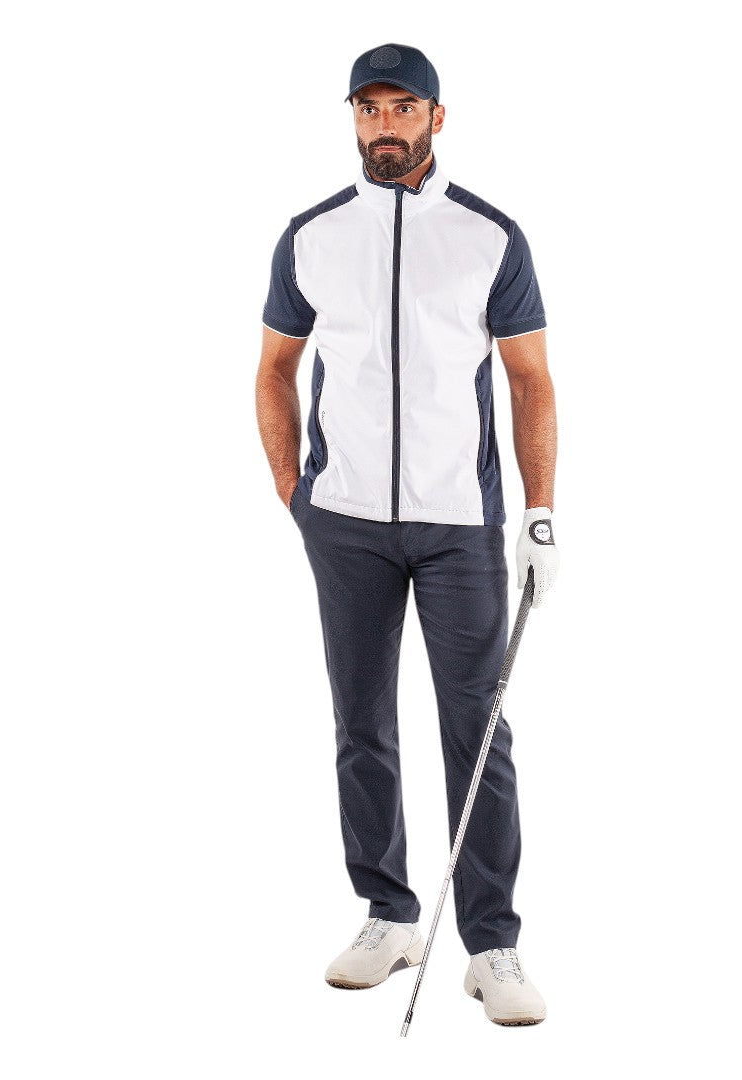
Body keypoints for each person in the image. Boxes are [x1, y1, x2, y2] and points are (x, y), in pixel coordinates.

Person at [255, 43, 559, 1027]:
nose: (384, 124)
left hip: (458, 523)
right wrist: (294, 491)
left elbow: (529, 381)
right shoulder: (310, 237)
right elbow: (274, 369)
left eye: (403, 108)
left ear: (437, 117)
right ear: (353, 117)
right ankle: (388, 916)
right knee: (361, 722)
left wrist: (539, 510)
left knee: (479, 728)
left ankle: (493, 943)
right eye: (369, 108)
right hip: (342, 523)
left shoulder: (488, 236)